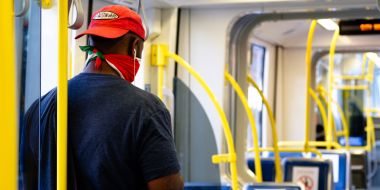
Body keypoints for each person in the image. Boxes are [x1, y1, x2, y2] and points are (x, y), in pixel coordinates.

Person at [20, 5, 183, 190]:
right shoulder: (146, 109)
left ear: (90, 41)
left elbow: (29, 183)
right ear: (135, 47)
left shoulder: (39, 108)